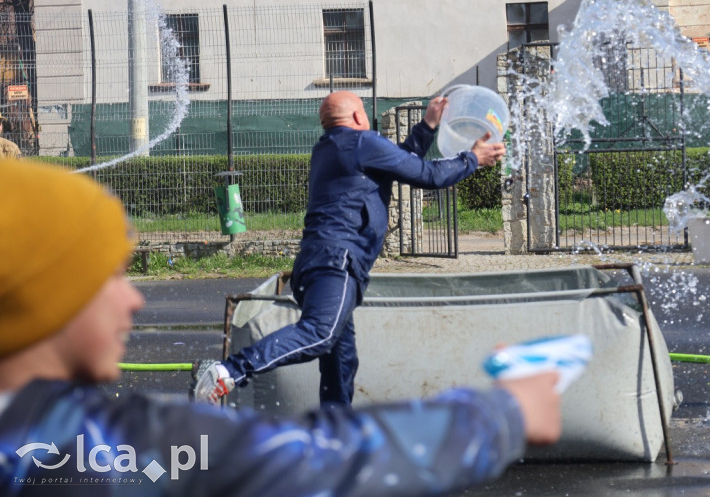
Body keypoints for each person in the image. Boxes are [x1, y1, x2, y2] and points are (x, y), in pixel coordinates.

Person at [0, 158, 563, 496]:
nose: (133, 299)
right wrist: (504, 414)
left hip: (328, 269)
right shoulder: (104, 446)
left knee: (338, 353)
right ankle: (228, 370)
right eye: (110, 276)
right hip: (334, 270)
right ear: (42, 297)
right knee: (323, 336)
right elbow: (317, 464)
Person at [194, 91, 506, 407]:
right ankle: (228, 371)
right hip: (336, 262)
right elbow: (429, 175)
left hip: (316, 263)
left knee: (340, 361)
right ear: (358, 117)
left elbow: (401, 162)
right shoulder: (361, 144)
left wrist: (427, 125)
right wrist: (473, 158)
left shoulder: (331, 147)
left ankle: (335, 433)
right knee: (320, 333)